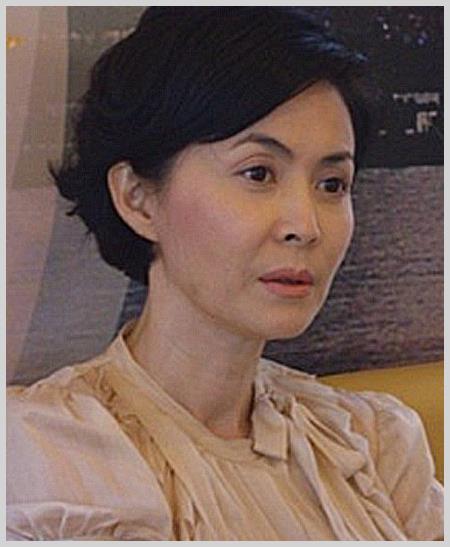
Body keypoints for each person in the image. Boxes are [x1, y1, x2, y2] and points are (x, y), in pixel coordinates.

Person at [6, 7, 443, 541]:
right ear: (138, 198)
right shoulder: (45, 457)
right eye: (258, 173)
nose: (306, 226)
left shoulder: (372, 444)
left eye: (332, 184)